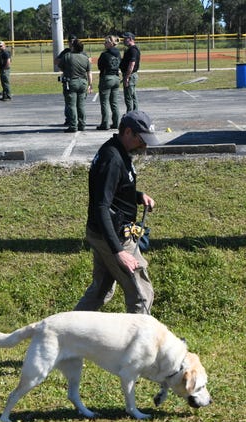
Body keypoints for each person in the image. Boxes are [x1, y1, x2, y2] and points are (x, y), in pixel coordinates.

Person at [74, 110, 160, 314]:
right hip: (114, 235)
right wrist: (119, 251)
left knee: (101, 291)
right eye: (142, 139)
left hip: (103, 232)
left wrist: (137, 196)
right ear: (128, 132)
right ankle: (139, 345)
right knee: (142, 294)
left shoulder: (119, 151)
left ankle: (68, 334)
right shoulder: (112, 158)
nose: (144, 145)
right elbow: (101, 206)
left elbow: (113, 191)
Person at [58, 39, 93, 133]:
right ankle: (82, 124)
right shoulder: (85, 58)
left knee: (71, 105)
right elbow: (89, 72)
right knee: (81, 105)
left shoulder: (67, 56)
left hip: (71, 82)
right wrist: (90, 84)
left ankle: (73, 125)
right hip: (83, 83)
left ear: (73, 46)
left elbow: (60, 67)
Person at [96, 35, 121, 130]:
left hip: (107, 78)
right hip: (116, 78)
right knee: (114, 102)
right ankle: (116, 123)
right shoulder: (118, 53)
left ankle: (105, 124)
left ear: (111, 43)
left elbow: (100, 66)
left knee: (104, 102)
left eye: (106, 42)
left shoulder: (104, 54)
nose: (104, 44)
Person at [55, 34, 77, 125]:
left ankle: (77, 119)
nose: (72, 43)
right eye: (70, 41)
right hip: (68, 78)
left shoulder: (80, 51)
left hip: (78, 77)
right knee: (68, 100)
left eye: (73, 41)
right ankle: (69, 118)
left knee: (78, 101)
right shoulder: (66, 52)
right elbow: (56, 61)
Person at [120, 32, 140, 112]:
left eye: (125, 38)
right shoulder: (131, 49)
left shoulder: (133, 50)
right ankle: (135, 114)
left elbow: (132, 64)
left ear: (130, 39)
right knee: (133, 96)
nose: (123, 40)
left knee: (129, 98)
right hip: (130, 75)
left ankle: (130, 116)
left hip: (130, 75)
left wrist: (127, 77)